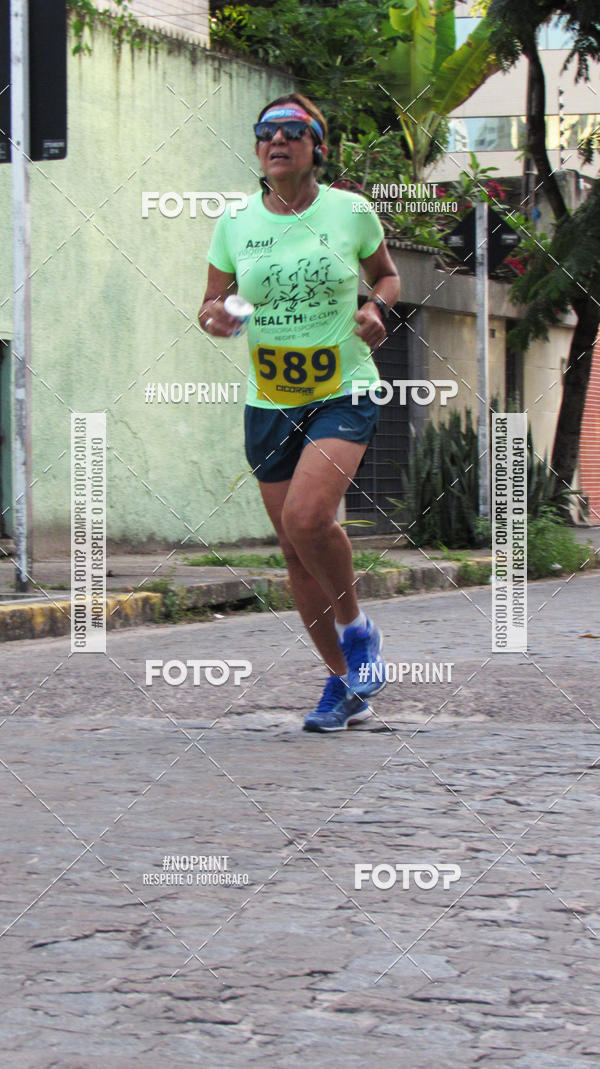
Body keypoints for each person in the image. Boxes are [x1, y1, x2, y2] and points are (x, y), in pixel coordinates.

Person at [198, 93, 401, 732]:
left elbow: (387, 275)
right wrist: (220, 318)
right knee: (292, 548)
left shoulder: (350, 211)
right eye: (266, 132)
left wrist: (376, 308)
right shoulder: (234, 223)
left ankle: (357, 630)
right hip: (270, 400)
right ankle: (343, 686)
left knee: (308, 517)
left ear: (317, 145)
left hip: (344, 387)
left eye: (293, 131)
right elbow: (212, 305)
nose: (277, 140)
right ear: (258, 148)